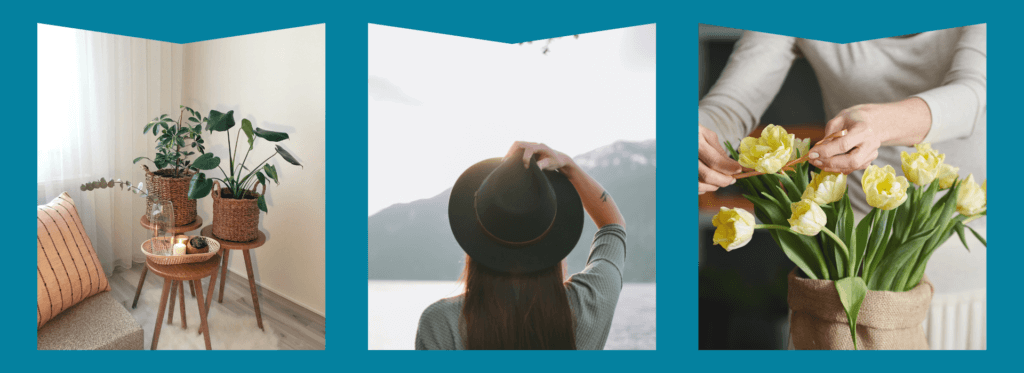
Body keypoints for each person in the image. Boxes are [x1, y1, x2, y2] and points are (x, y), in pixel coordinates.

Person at [698, 24, 986, 214]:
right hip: (856, 252)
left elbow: (973, 95)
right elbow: (730, 106)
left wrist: (875, 123)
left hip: (980, 257)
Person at [415, 141, 626, 350]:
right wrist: (568, 166)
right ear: (554, 244)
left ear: (475, 243)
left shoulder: (440, 324)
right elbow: (613, 225)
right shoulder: (587, 305)